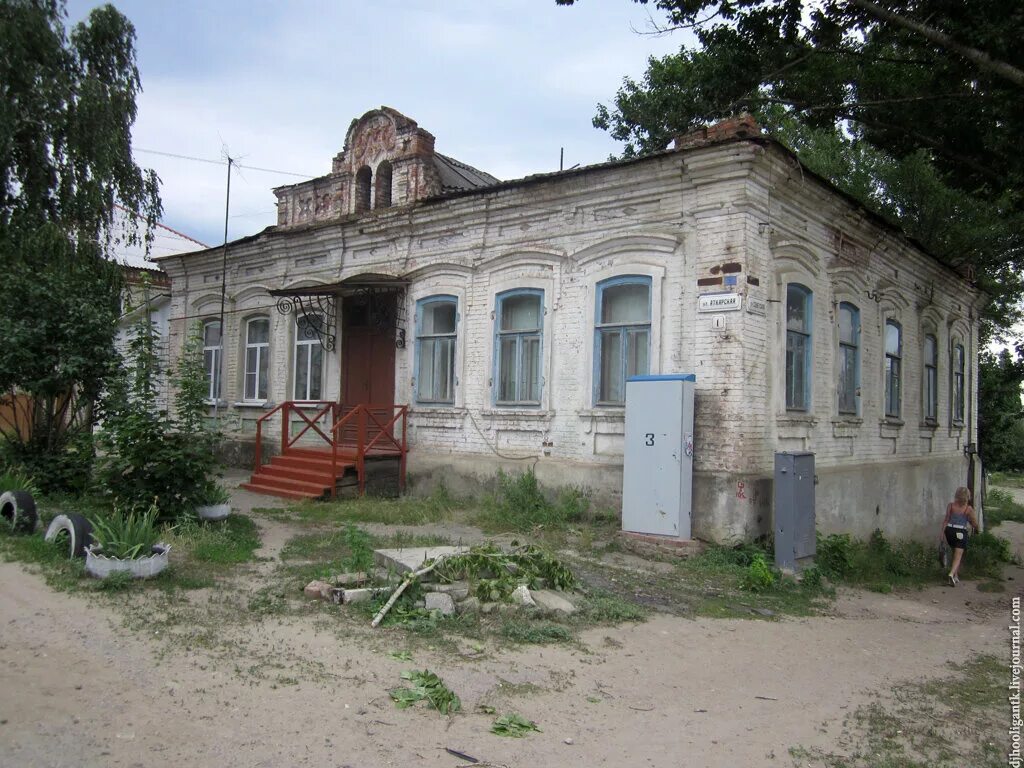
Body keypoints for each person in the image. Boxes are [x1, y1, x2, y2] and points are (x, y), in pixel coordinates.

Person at [940, 486, 980, 586]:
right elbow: (974, 523)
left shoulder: (951, 505)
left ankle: (955, 576)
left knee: (954, 553)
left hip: (949, 531)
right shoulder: (968, 509)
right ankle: (951, 573)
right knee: (958, 556)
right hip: (961, 532)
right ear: (967, 496)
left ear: (957, 495)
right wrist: (977, 529)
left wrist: (942, 533)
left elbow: (946, 519)